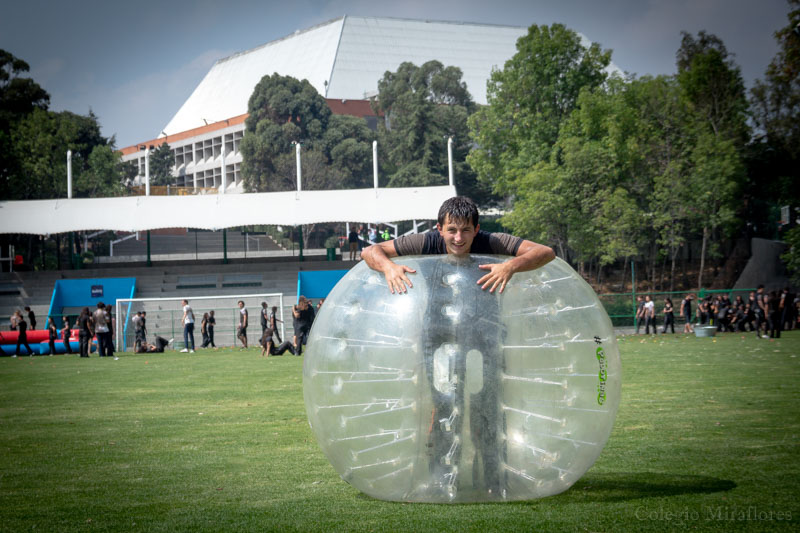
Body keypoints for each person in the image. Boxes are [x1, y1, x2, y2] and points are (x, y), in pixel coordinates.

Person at [361, 195, 555, 497]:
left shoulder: (492, 241)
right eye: (451, 230)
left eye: (465, 230)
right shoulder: (425, 242)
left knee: (487, 408)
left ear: (476, 229)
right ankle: (441, 480)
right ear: (440, 228)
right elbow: (370, 250)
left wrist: (511, 267)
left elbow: (545, 252)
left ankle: (492, 481)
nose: (458, 238)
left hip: (485, 338)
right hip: (439, 340)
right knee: (443, 406)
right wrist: (387, 267)